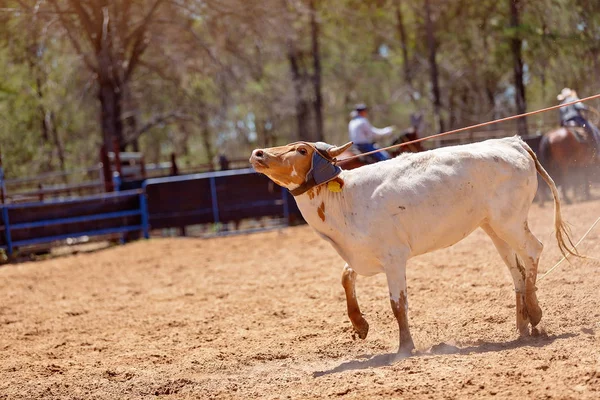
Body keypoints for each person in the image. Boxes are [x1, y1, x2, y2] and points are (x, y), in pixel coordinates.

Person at [557, 87, 600, 155]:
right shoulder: (573, 99)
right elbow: (579, 107)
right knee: (593, 130)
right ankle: (598, 152)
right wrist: (587, 108)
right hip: (576, 119)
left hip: (566, 123)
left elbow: (560, 119)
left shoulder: (561, 104)